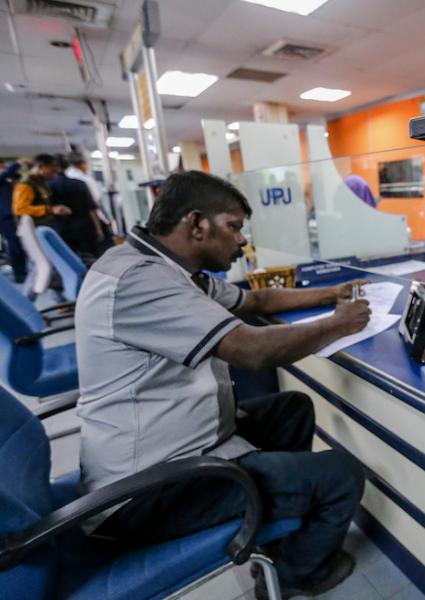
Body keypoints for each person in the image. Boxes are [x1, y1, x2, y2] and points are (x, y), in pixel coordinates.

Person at [75, 171, 371, 599]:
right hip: (144, 492)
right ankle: (296, 573)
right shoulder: (141, 281)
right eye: (233, 227)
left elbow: (257, 300)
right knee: (341, 474)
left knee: (293, 409)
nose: (241, 241)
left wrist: (331, 295)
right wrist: (336, 326)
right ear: (196, 225)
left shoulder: (171, 269)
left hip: (175, 442)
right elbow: (250, 350)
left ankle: (275, 518)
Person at [48, 155, 103, 260]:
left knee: (67, 260)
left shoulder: (47, 186)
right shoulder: (80, 184)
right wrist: (98, 229)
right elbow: (92, 209)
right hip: (84, 228)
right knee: (91, 258)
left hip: (60, 230)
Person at [65, 152, 113, 252]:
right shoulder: (85, 180)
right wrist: (106, 221)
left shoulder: (63, 178)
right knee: (104, 250)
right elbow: (96, 203)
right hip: (89, 221)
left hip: (69, 225)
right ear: (82, 164)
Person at [12, 154, 71, 227]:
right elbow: (20, 209)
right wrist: (50, 209)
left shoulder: (41, 182)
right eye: (52, 172)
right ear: (41, 167)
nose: (55, 176)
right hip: (34, 230)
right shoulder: (26, 184)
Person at [0, 159, 28, 282]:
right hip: (6, 218)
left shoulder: (7, 182)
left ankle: (23, 271)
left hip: (16, 216)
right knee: (14, 246)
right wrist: (19, 162)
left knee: (21, 245)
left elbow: (16, 176)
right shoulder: (2, 180)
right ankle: (19, 274)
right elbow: (7, 173)